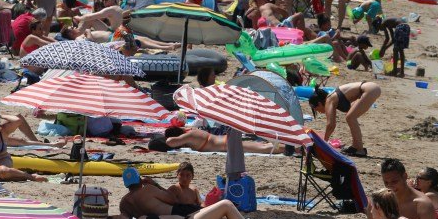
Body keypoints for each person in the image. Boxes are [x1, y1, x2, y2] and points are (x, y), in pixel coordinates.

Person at [118, 168, 275, 219]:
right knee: (221, 218)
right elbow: (172, 199)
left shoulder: (124, 203)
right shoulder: (148, 189)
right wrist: (154, 183)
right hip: (180, 214)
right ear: (139, 179)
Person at [308, 82, 381, 157]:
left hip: (369, 89)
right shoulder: (332, 98)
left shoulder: (329, 100)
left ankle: (360, 149)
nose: (318, 112)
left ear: (319, 103)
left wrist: (323, 143)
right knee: (350, 116)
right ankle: (355, 147)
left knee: (350, 117)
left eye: (315, 109)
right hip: (371, 88)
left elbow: (331, 125)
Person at [0, 108, 47, 182]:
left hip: (2, 160)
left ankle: (30, 176)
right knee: (0, 175)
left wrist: (0, 115)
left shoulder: (2, 130)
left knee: (3, 171)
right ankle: (11, 177)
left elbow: (17, 120)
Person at [148, 126, 289, 154]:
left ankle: (292, 148)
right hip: (225, 141)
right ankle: (289, 146)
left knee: (262, 148)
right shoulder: (191, 130)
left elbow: (170, 142)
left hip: (225, 145)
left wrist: (168, 137)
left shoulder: (188, 136)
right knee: (260, 144)